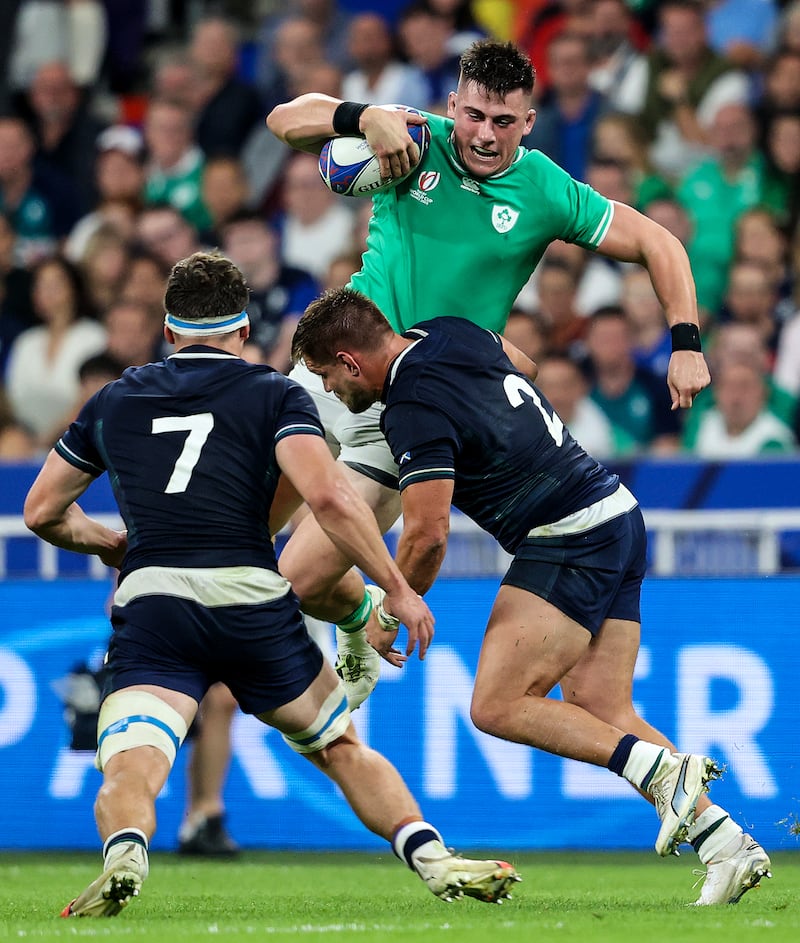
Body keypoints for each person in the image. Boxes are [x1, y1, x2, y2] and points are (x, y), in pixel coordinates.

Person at [23, 251, 521, 917]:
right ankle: (432, 857)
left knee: (132, 760)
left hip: (155, 602)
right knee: (340, 747)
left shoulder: (115, 398)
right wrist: (396, 588)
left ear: (168, 332)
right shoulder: (276, 394)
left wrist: (112, 543)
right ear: (242, 331)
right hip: (251, 600)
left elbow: (42, 511)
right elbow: (332, 498)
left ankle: (126, 850)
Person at [291, 285, 773, 907]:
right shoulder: (449, 328)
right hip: (616, 511)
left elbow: (428, 535)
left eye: (326, 376)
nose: (329, 390)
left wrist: (391, 605)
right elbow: (525, 365)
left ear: (349, 361)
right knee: (602, 708)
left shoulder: (409, 406)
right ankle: (725, 843)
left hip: (568, 534)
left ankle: (660, 769)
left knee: (497, 704)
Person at [266, 38, 710, 704]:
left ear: (528, 122)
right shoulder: (412, 138)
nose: (484, 135)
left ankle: (355, 616)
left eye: (504, 122)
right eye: (473, 115)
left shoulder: (545, 189)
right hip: (335, 364)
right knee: (246, 533)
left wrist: (686, 341)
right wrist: (362, 116)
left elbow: (657, 240)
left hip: (407, 407)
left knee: (296, 582)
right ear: (454, 105)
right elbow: (285, 119)